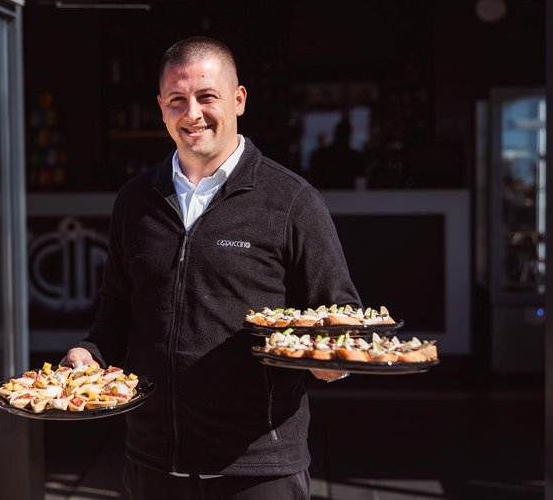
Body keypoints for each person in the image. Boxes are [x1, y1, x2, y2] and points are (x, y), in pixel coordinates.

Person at [66, 36, 360, 499]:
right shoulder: (135, 201)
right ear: (161, 107)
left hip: (258, 469)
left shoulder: (291, 201)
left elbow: (341, 315)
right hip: (152, 463)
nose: (192, 113)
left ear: (239, 100)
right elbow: (117, 310)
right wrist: (90, 354)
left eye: (207, 97)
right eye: (177, 100)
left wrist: (331, 363)